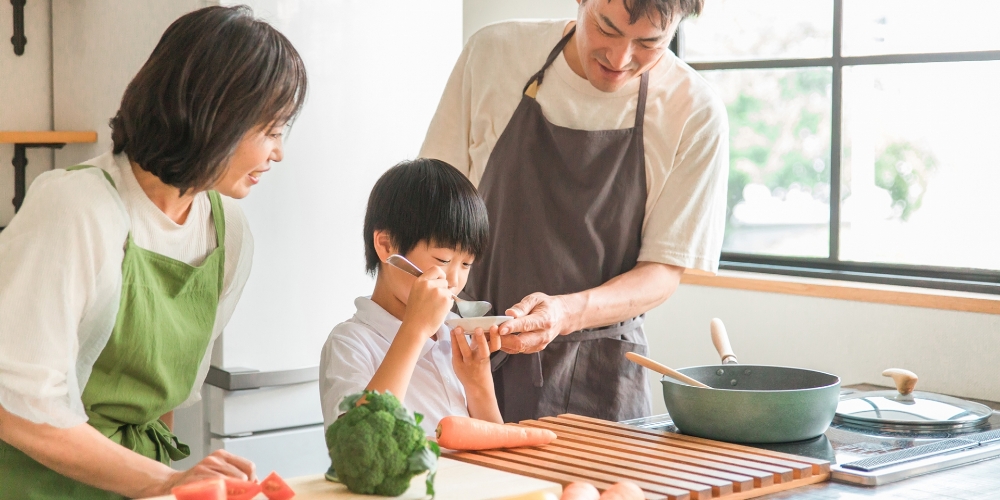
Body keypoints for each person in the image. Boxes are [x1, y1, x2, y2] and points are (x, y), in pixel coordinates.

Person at [0, 6, 307, 499]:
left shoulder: (228, 231)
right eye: (271, 131)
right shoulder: (76, 207)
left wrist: (166, 484)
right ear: (216, 116)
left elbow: (161, 405)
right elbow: (15, 405)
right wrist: (164, 480)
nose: (278, 153)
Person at [419, 0, 728, 422]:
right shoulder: (495, 53)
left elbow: (663, 271)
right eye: (606, 27)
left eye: (649, 42)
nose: (620, 59)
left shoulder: (694, 110)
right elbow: (432, 211)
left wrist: (563, 313)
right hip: (469, 360)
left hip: (602, 381)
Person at [319, 158, 503, 436]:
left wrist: (479, 384)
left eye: (466, 264)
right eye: (442, 259)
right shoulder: (350, 344)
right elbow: (361, 445)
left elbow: (496, 444)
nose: (454, 280)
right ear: (386, 245)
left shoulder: (454, 334)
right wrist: (415, 329)